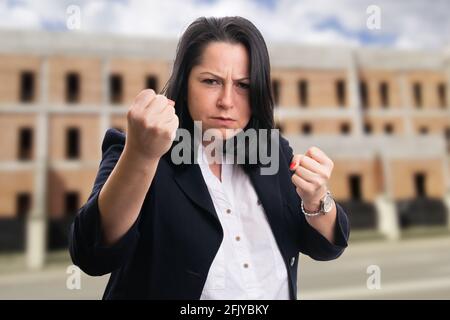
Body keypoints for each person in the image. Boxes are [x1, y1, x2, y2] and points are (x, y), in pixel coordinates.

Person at [69, 16, 349, 300]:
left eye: (243, 85)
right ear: (184, 82)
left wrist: (317, 199)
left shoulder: (272, 153)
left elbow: (326, 247)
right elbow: (91, 255)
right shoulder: (139, 151)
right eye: (211, 81)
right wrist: (141, 155)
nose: (227, 101)